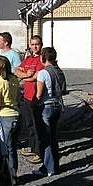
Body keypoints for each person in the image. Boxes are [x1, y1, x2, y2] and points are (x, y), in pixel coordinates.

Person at [33, 47, 66, 177]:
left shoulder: (43, 73)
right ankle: (54, 165)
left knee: (46, 139)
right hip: (58, 105)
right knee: (53, 137)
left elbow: (39, 94)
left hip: (46, 107)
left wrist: (33, 103)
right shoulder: (59, 71)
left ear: (43, 57)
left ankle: (48, 168)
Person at [15, 35, 44, 157]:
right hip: (26, 96)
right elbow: (16, 71)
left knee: (37, 125)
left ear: (41, 45)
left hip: (36, 97)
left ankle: (39, 151)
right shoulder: (28, 59)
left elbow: (36, 76)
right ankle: (33, 148)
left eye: (36, 44)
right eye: (32, 44)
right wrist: (26, 74)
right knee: (29, 125)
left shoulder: (42, 59)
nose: (34, 46)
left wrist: (25, 76)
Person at [0, 56, 20, 179]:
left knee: (4, 149)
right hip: (16, 114)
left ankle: (6, 178)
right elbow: (18, 98)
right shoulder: (14, 79)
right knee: (12, 147)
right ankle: (13, 175)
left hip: (4, 116)